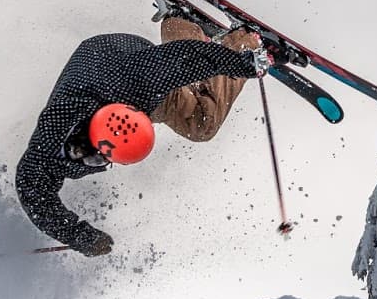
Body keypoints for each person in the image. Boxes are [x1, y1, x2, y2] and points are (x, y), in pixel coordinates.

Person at [15, 18, 269, 256]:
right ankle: (179, 23)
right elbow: (32, 191)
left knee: (202, 123)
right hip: (99, 64)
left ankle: (245, 39)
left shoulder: (139, 81)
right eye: (100, 160)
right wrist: (80, 236)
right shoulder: (50, 142)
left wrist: (244, 63)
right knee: (180, 80)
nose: (101, 162)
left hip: (129, 58)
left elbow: (188, 57)